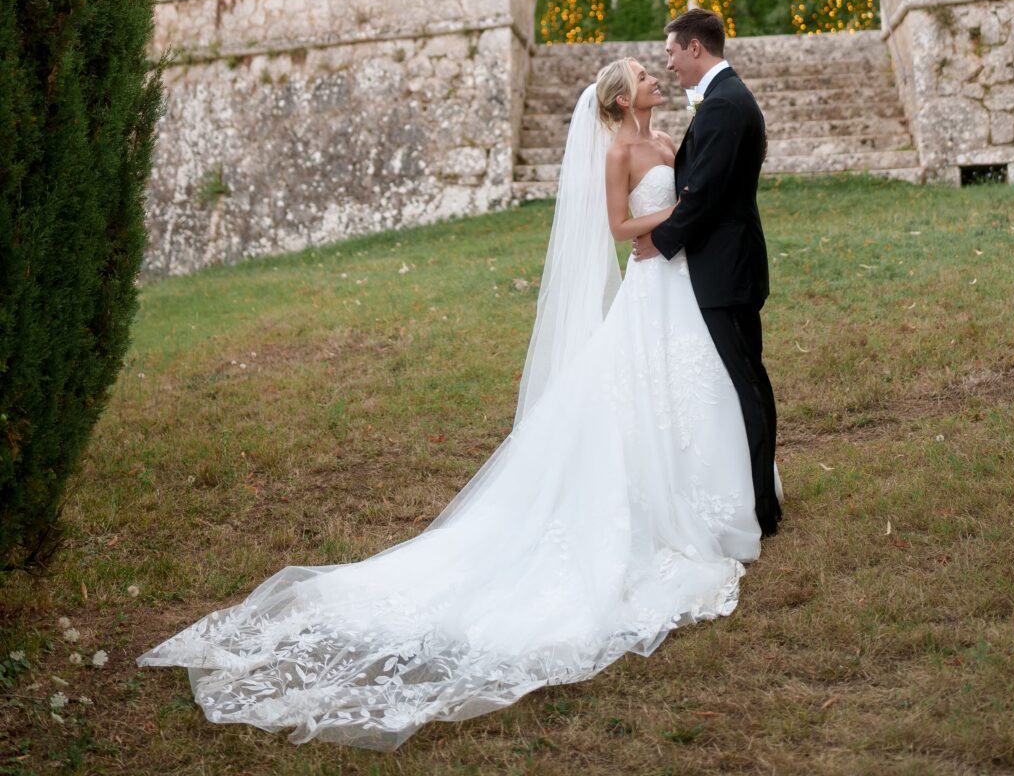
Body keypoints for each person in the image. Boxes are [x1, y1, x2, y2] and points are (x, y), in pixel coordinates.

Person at [138, 55, 763, 751]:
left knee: (683, 387)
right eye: (644, 76)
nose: (654, 79)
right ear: (619, 101)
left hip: (678, 282)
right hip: (649, 275)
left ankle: (702, 489)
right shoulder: (617, 152)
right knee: (635, 393)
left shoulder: (668, 140)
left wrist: (684, 216)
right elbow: (618, 227)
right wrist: (673, 218)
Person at [632, 7, 782, 536]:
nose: (668, 64)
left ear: (695, 47)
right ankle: (756, 496)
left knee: (747, 384)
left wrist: (659, 242)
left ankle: (762, 508)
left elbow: (706, 195)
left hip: (727, 268)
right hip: (727, 262)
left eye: (671, 52)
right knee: (743, 381)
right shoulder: (724, 98)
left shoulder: (723, 104)